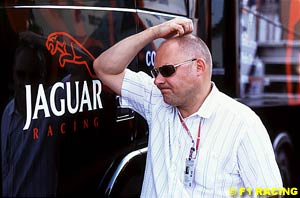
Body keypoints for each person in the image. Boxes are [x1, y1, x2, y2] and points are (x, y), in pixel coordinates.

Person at [93, 18, 283, 197]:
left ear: (199, 67)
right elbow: (104, 68)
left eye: (167, 71)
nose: (158, 80)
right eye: (156, 72)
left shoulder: (242, 124)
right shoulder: (156, 100)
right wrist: (154, 32)